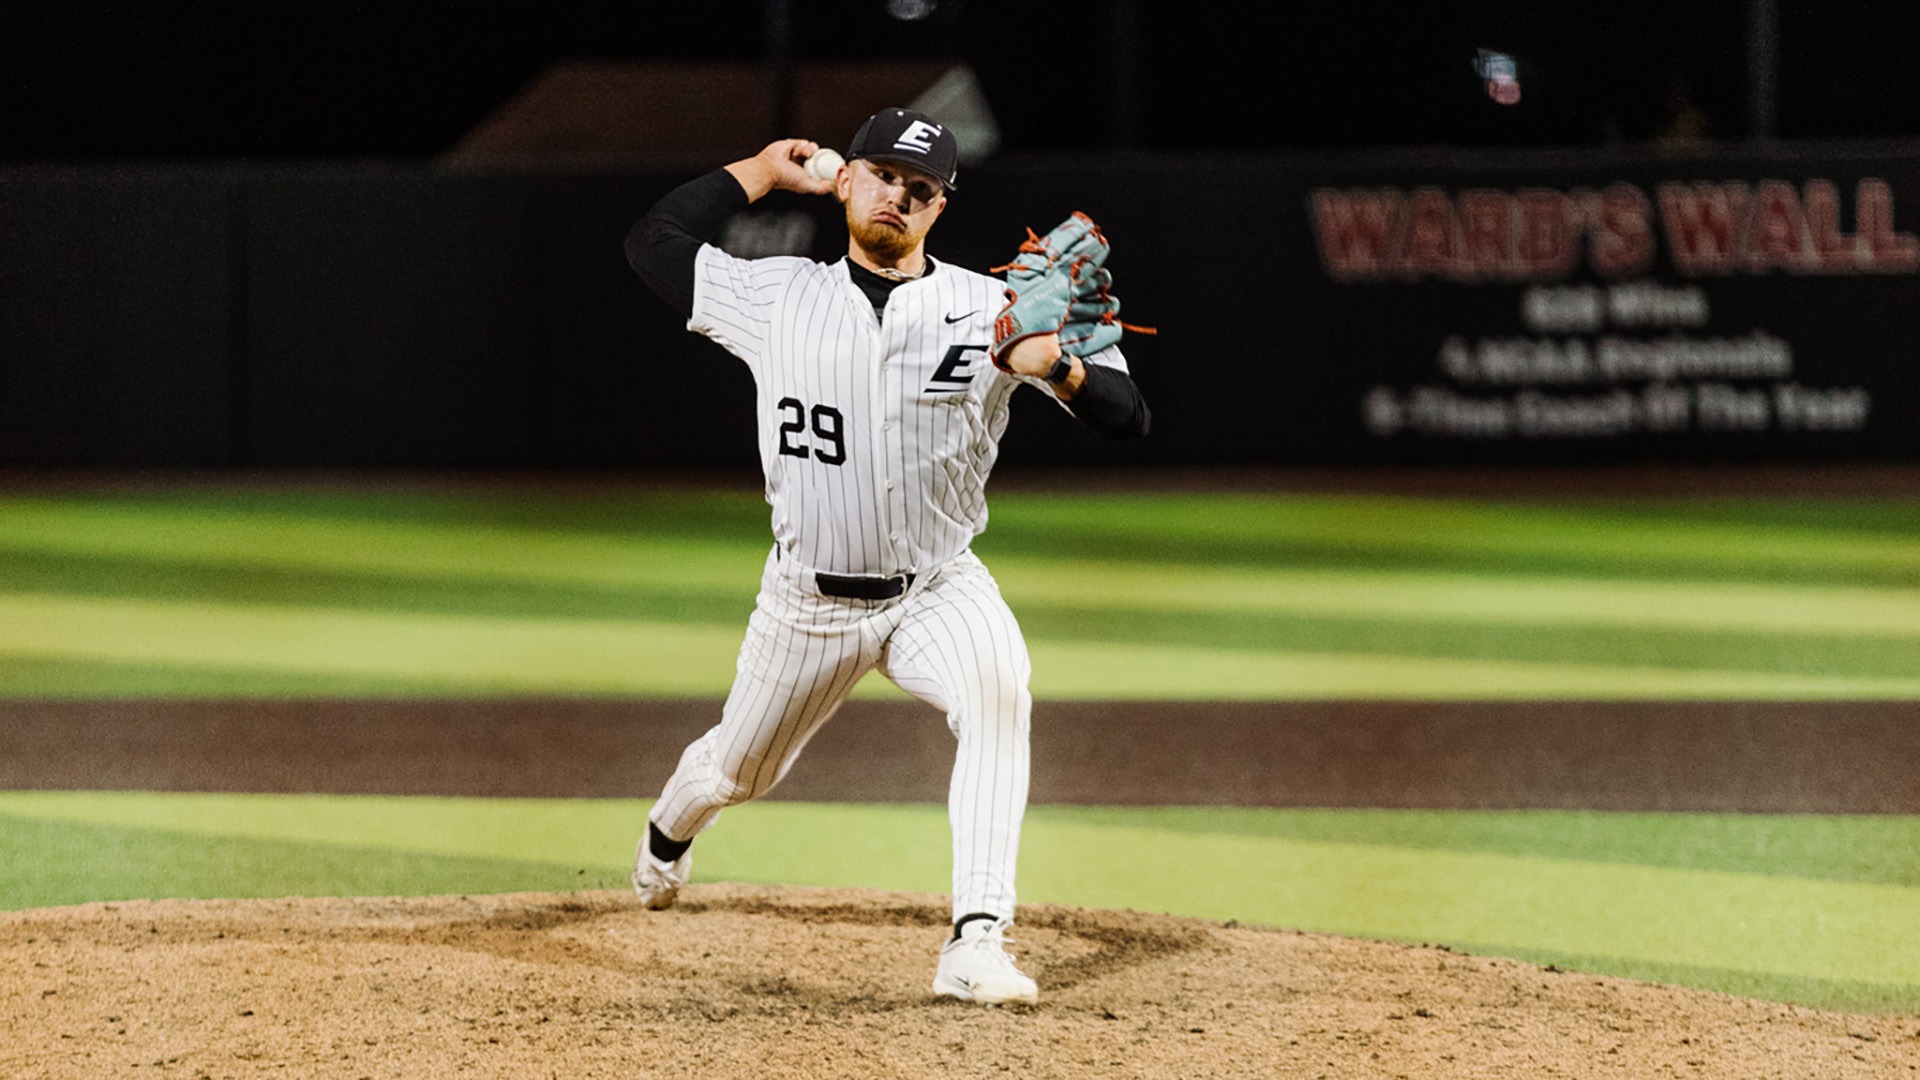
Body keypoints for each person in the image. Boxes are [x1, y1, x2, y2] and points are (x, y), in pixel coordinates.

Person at [622, 106, 1150, 1006]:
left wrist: (1054, 366)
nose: (897, 197)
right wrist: (757, 169)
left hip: (937, 585)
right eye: (881, 177)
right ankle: (669, 833)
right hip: (808, 605)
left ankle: (977, 939)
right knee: (738, 772)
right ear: (846, 182)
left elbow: (1127, 416)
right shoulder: (774, 295)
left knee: (998, 692)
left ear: (940, 207)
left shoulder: (997, 309)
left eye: (920, 189)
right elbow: (653, 240)